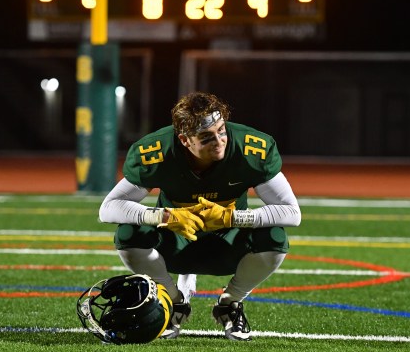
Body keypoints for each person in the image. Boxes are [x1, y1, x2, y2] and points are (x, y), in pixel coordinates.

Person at [99, 91, 301, 341]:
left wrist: (232, 218)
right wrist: (166, 217)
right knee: (129, 233)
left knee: (275, 237)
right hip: (176, 242)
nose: (219, 141)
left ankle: (230, 303)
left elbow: (292, 213)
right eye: (206, 137)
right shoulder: (158, 151)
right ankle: (173, 301)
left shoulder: (250, 147)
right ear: (184, 140)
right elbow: (109, 208)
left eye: (221, 131)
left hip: (228, 243)